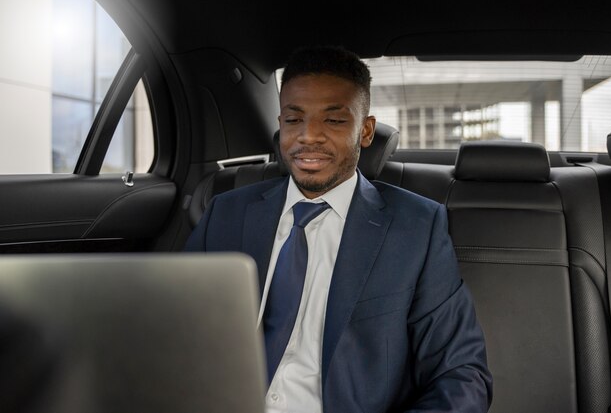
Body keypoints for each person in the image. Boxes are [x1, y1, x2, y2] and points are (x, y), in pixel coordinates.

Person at [184, 45, 492, 413]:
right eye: (294, 119)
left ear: (365, 131)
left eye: (333, 120)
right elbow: (170, 332)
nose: (308, 136)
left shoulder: (416, 228)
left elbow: (462, 373)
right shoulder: (226, 213)